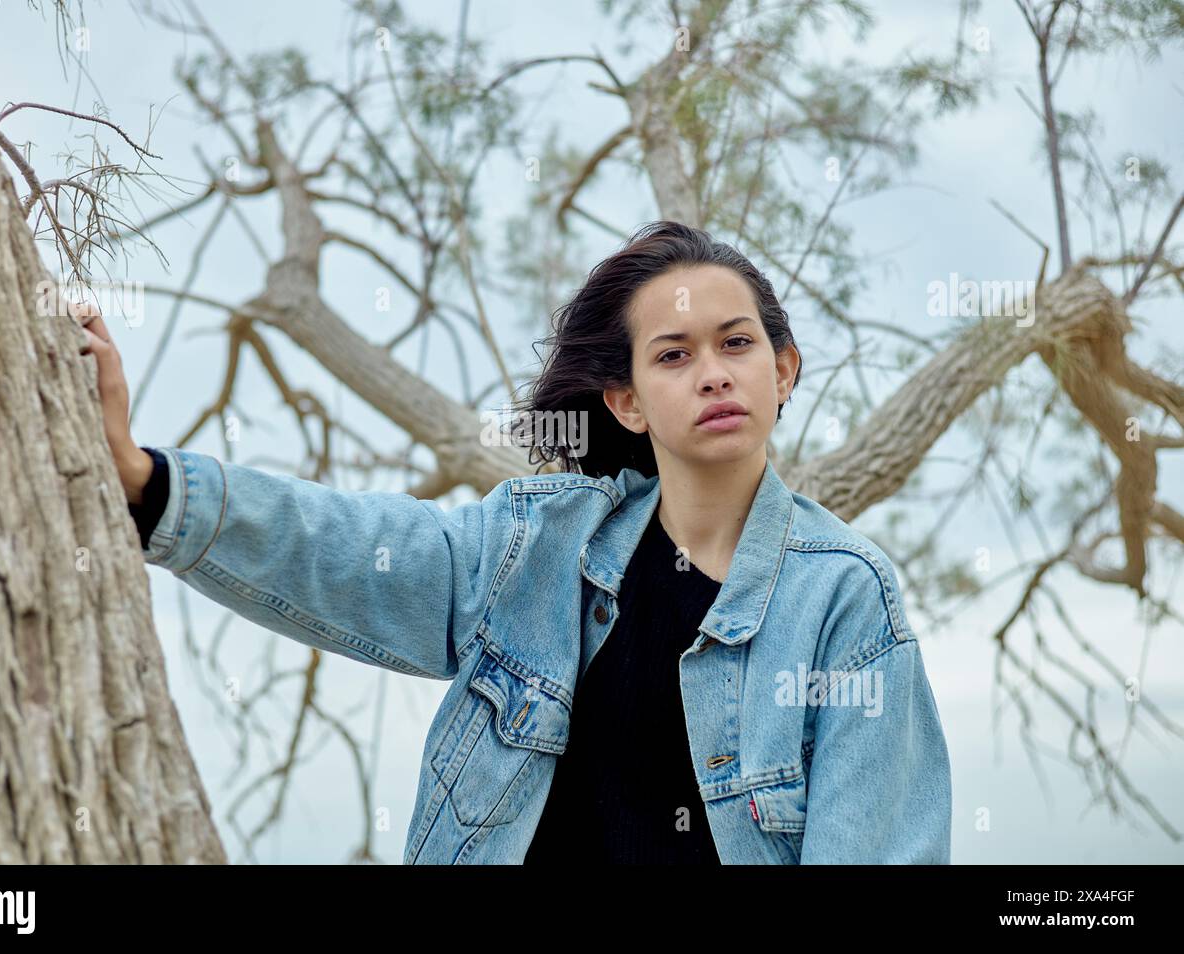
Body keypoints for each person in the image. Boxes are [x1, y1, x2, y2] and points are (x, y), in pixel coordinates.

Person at [78, 220, 952, 864]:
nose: (715, 373)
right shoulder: (535, 547)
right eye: (674, 355)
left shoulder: (844, 602)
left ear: (783, 369)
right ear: (627, 402)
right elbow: (354, 550)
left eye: (737, 343)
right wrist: (149, 484)